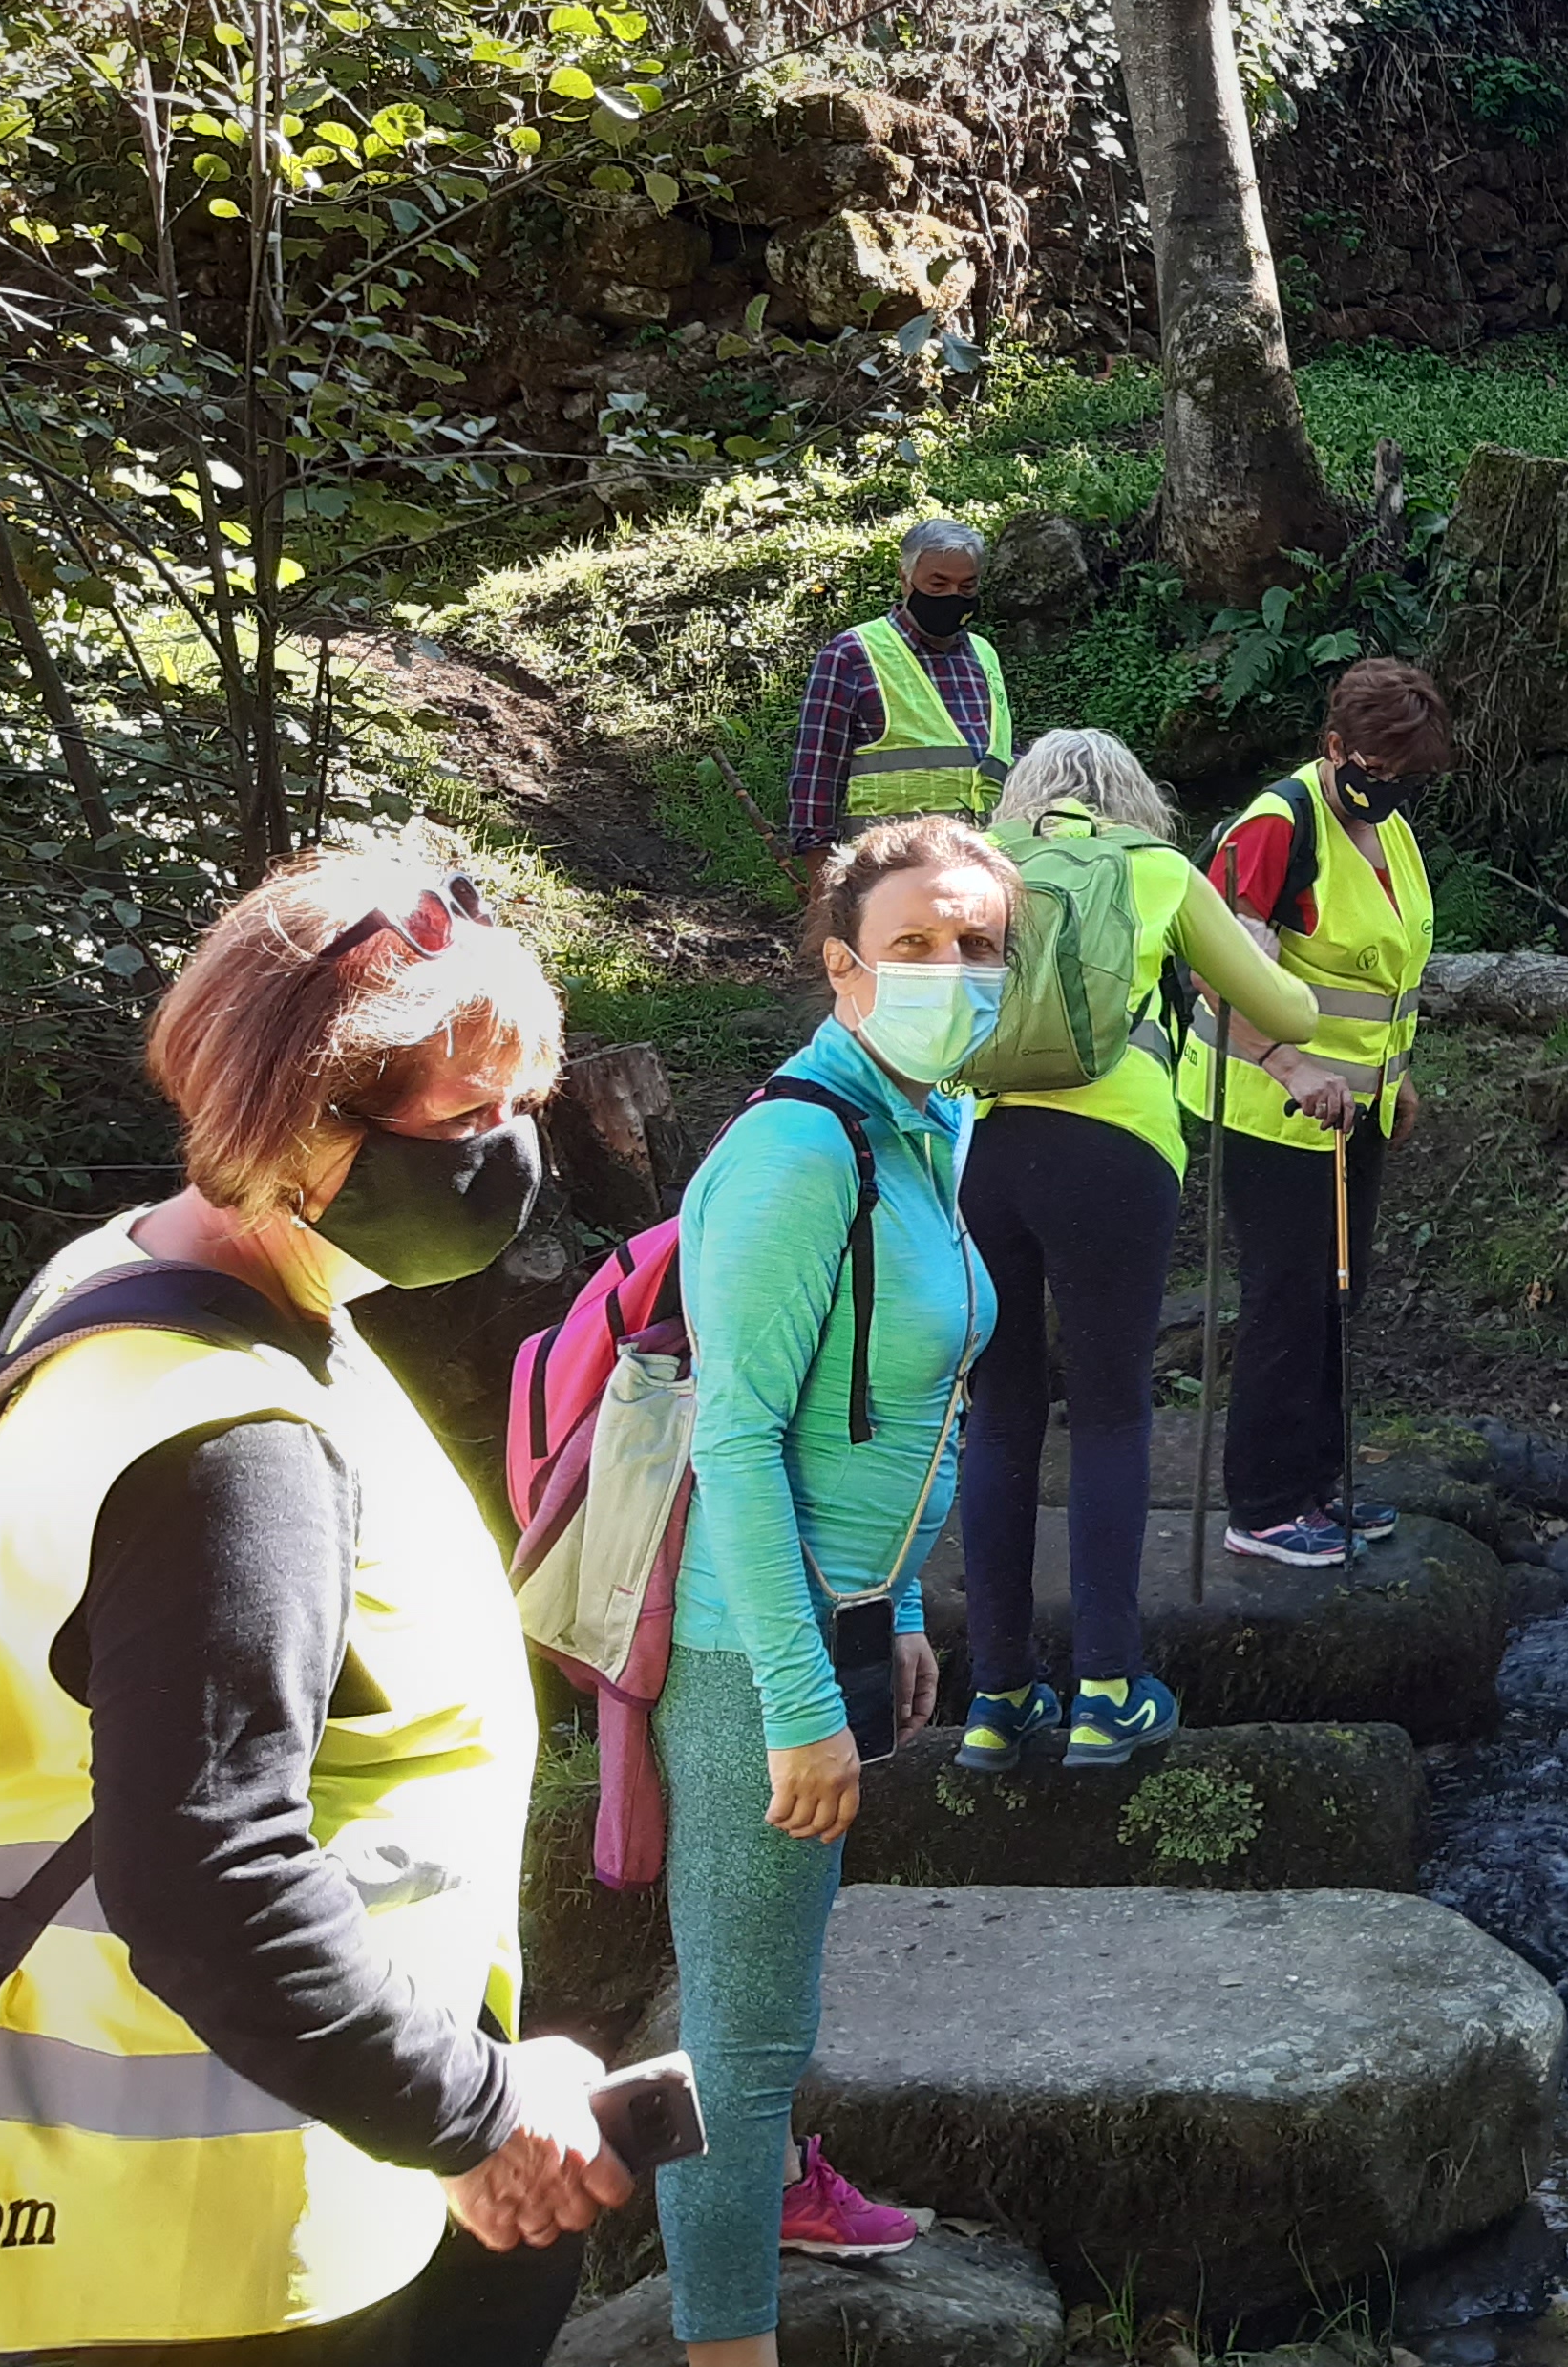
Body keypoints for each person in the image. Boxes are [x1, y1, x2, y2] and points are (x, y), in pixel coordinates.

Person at [0, 848, 632, 2363]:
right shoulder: (228, 1443)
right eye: (470, 1115)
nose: (513, 1151)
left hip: (256, 2179)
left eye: (524, 1105)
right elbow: (206, 1874)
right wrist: (480, 2117)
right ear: (307, 1120)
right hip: (212, 2249)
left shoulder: (127, 1285)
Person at [656, 815, 1014, 2364]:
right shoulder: (801, 1150)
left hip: (844, 1615)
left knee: (777, 1994)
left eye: (976, 945)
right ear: (843, 968)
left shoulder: (924, 1129)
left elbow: (902, 1408)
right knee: (731, 2045)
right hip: (754, 1644)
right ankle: (722, 2340)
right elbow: (733, 1439)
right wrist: (803, 1699)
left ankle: (785, 2193)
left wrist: (910, 1611)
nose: (949, 971)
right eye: (915, 945)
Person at [952, 729, 1327, 1774]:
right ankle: (1109, 1691)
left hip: (977, 1148)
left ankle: (996, 1697)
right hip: (1114, 1152)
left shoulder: (972, 871)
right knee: (1114, 1411)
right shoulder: (1155, 869)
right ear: (1132, 799)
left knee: (1000, 1412)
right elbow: (1285, 1008)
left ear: (1025, 798)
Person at [1174, 658, 1451, 1571]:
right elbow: (1220, 968)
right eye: (1380, 768)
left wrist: (1395, 1077)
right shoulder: (1274, 828)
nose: (1394, 788)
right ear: (1337, 748)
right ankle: (1260, 1505)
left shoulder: (1392, 828)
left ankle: (1319, 1483)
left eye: (1411, 775)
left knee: (1339, 1295)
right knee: (1287, 1301)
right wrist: (1288, 1064)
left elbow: (1384, 974)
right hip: (1270, 1106)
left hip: (1354, 1111)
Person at [782, 520, 1013, 854]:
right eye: (938, 584)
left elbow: (998, 757)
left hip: (979, 869)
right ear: (905, 578)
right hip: (884, 872)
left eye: (967, 587)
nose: (953, 597)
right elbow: (816, 776)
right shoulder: (852, 654)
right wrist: (821, 886)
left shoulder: (985, 654)